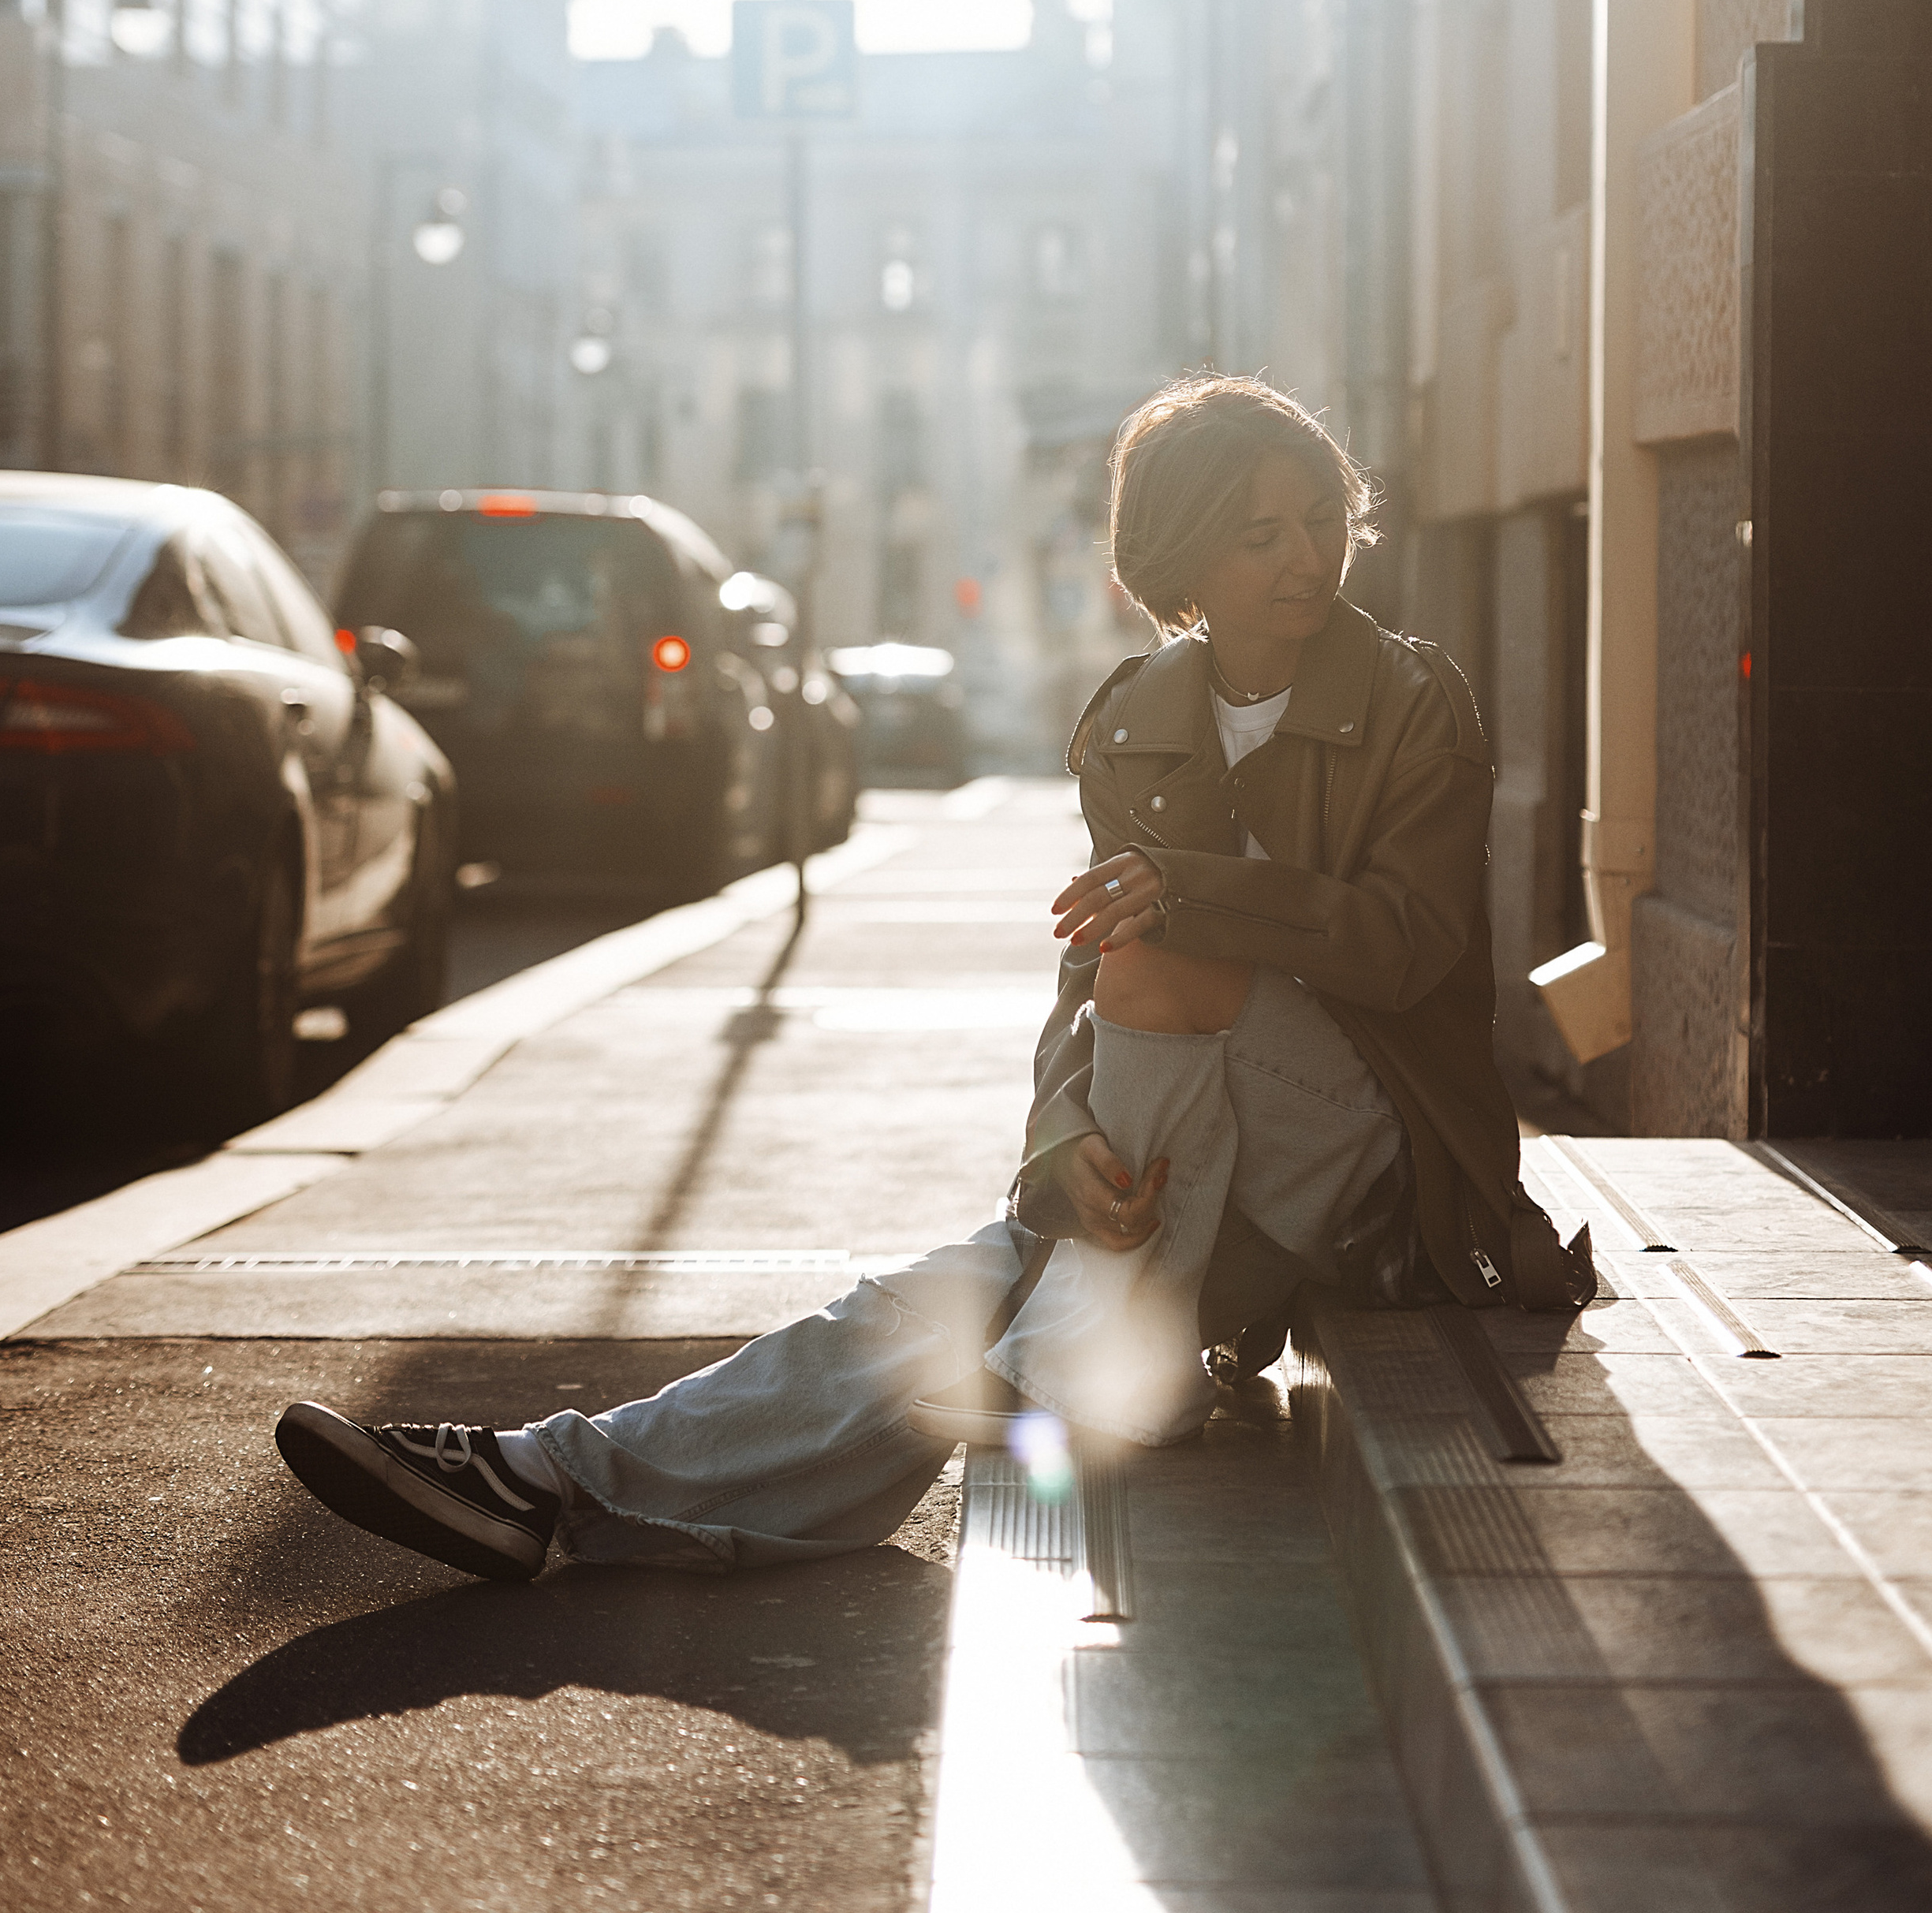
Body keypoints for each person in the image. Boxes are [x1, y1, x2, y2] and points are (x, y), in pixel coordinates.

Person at [273, 374, 1591, 1585]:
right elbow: (1088, 990)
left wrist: (1196, 893)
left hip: (1373, 1172)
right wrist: (1066, 1142)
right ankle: (554, 1478)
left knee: (1154, 953)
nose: (1309, 555)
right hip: (1199, 1180)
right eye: (1263, 533)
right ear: (1183, 553)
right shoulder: (1137, 719)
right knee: (938, 1300)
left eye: (1322, 519)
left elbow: (1411, 943)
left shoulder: (1415, 698)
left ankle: (1064, 1353)